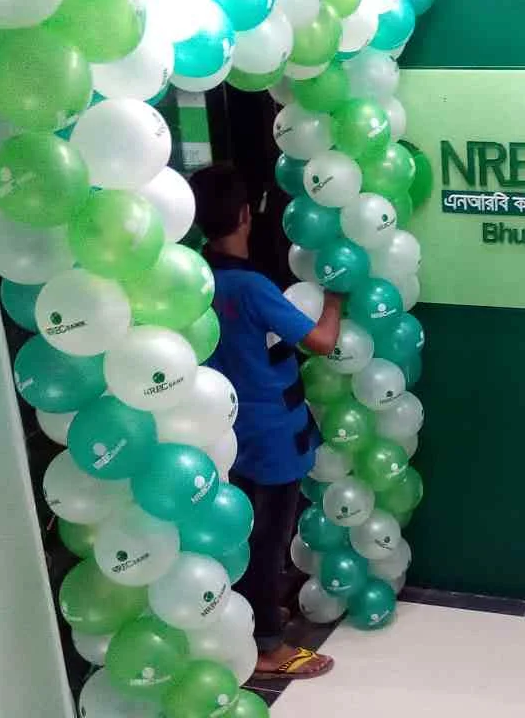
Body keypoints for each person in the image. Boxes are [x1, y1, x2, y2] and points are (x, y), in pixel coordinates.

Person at [189, 164, 341, 680]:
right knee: (269, 539)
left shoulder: (196, 279)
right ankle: (269, 648)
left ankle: (254, 615)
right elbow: (322, 342)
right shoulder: (250, 287)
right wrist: (335, 300)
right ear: (243, 215)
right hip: (271, 431)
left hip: (221, 430)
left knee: (243, 532)